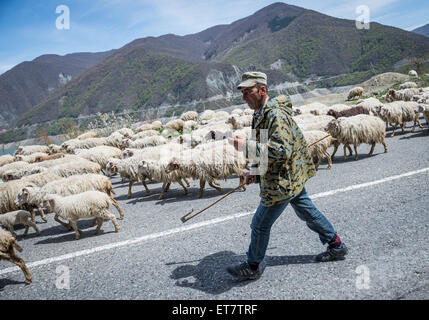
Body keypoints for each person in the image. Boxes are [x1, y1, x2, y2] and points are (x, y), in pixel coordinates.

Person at [226, 71, 348, 280]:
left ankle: (253, 266)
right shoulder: (259, 114)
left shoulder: (275, 115)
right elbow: (265, 146)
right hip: (288, 176)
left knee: (260, 224)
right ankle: (336, 244)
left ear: (262, 90)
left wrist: (245, 147)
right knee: (307, 211)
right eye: (243, 92)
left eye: (248, 92)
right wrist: (254, 171)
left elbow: (281, 151)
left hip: (282, 181)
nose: (244, 97)